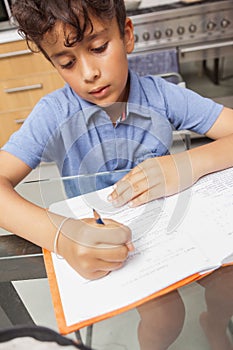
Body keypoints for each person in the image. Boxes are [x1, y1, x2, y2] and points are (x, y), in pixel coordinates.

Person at [0, 0, 232, 349]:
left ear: (126, 36)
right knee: (166, 317)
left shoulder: (161, 96)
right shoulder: (54, 112)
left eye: (98, 48)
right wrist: (63, 236)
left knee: (228, 287)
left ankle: (213, 324)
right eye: (67, 62)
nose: (89, 72)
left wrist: (186, 165)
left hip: (172, 227)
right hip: (112, 239)